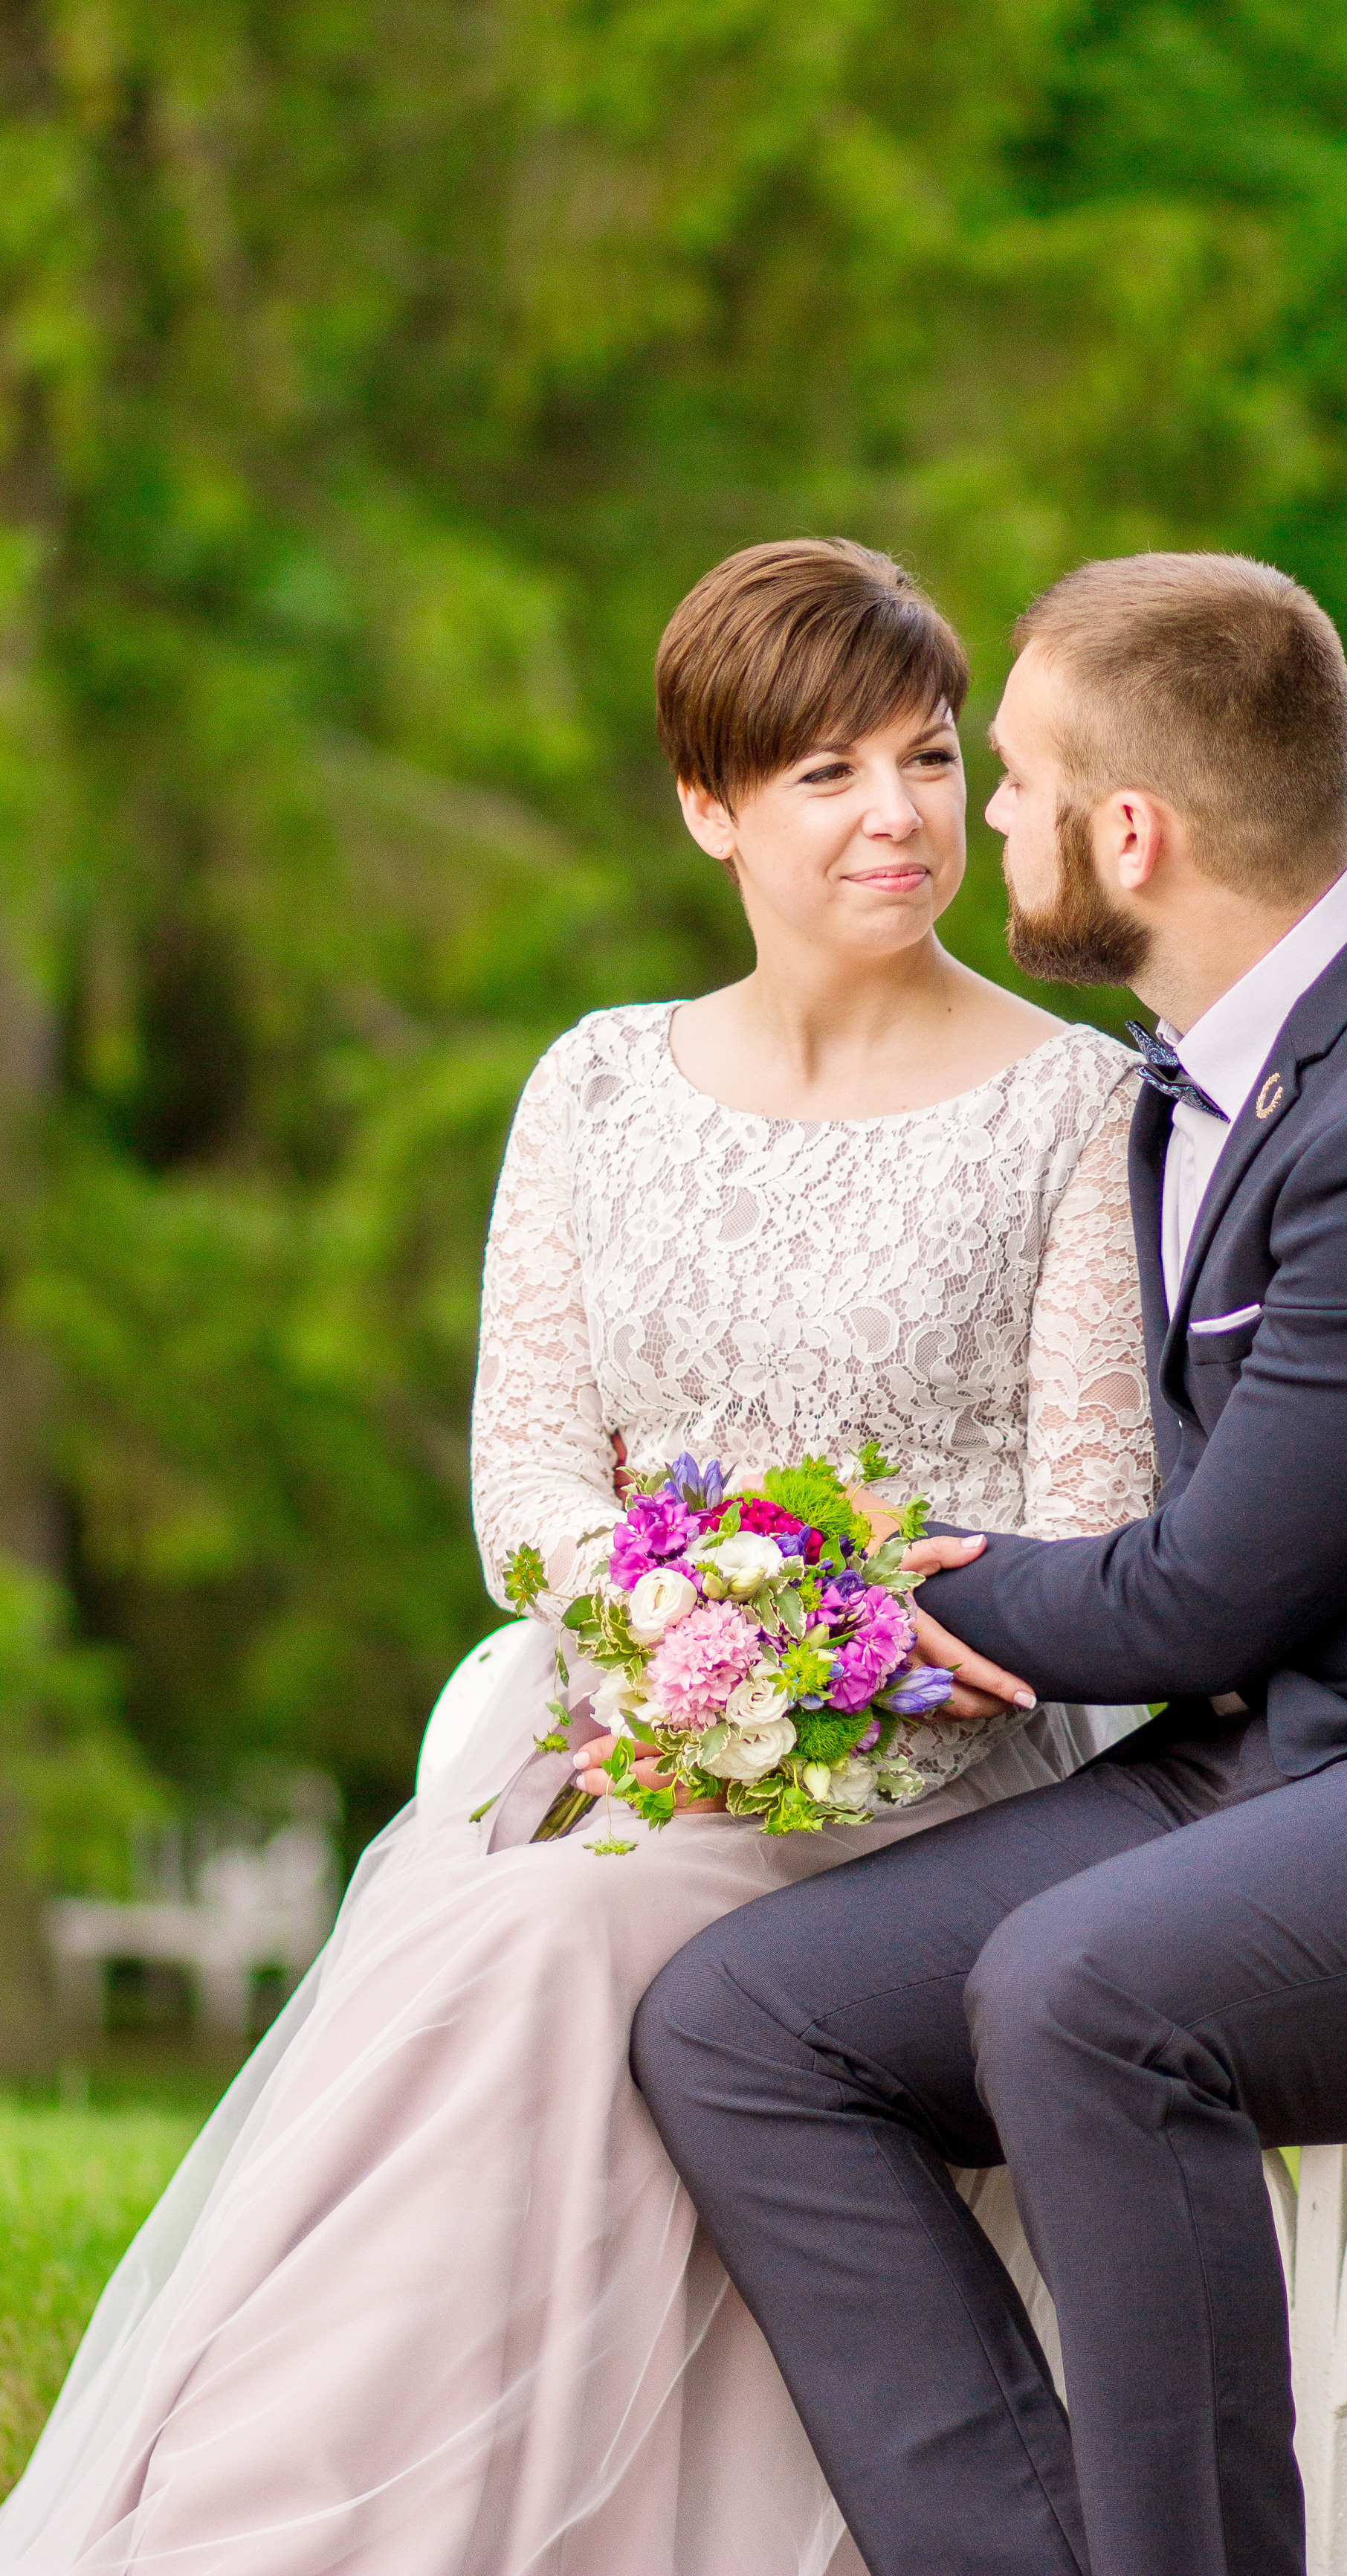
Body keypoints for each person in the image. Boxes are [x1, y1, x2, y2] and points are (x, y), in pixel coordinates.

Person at [0, 539, 1156, 2576]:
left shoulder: (1076, 1108)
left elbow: (1094, 1521)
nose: (895, 816)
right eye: (823, 773)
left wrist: (827, 1662)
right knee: (475, 1924)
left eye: (925, 756)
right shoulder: (600, 1082)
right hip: (620, 1726)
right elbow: (528, 1480)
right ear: (709, 806)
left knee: (535, 1943)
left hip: (937, 1761)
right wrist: (680, 1646)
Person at [633, 550, 1347, 2576]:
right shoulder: (1212, 1066)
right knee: (744, 2026)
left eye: (1014, 780)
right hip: (1299, 1756)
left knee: (1086, 1992)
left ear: (1131, 831)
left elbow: (1201, 1597)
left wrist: (859, 1590)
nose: (986, 824)